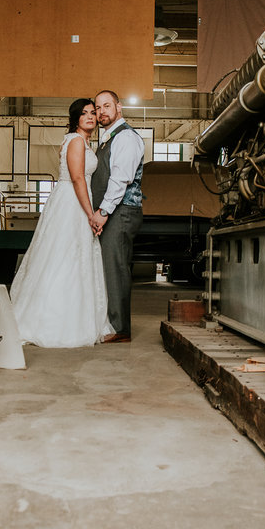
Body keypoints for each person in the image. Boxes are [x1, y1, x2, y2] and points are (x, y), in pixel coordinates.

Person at [10, 98, 114, 347]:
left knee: (73, 258)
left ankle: (75, 314)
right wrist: (91, 214)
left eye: (92, 112)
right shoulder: (76, 141)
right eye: (84, 113)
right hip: (73, 202)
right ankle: (52, 320)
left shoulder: (83, 142)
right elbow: (78, 179)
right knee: (64, 257)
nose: (90, 116)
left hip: (73, 200)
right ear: (75, 118)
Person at [88, 90, 144, 344]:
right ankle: (112, 322)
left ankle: (120, 329)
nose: (101, 112)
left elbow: (121, 179)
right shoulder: (108, 139)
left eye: (107, 106)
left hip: (121, 211)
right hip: (112, 211)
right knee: (110, 267)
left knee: (117, 268)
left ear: (118, 107)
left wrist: (103, 211)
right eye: (98, 108)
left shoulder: (126, 137)